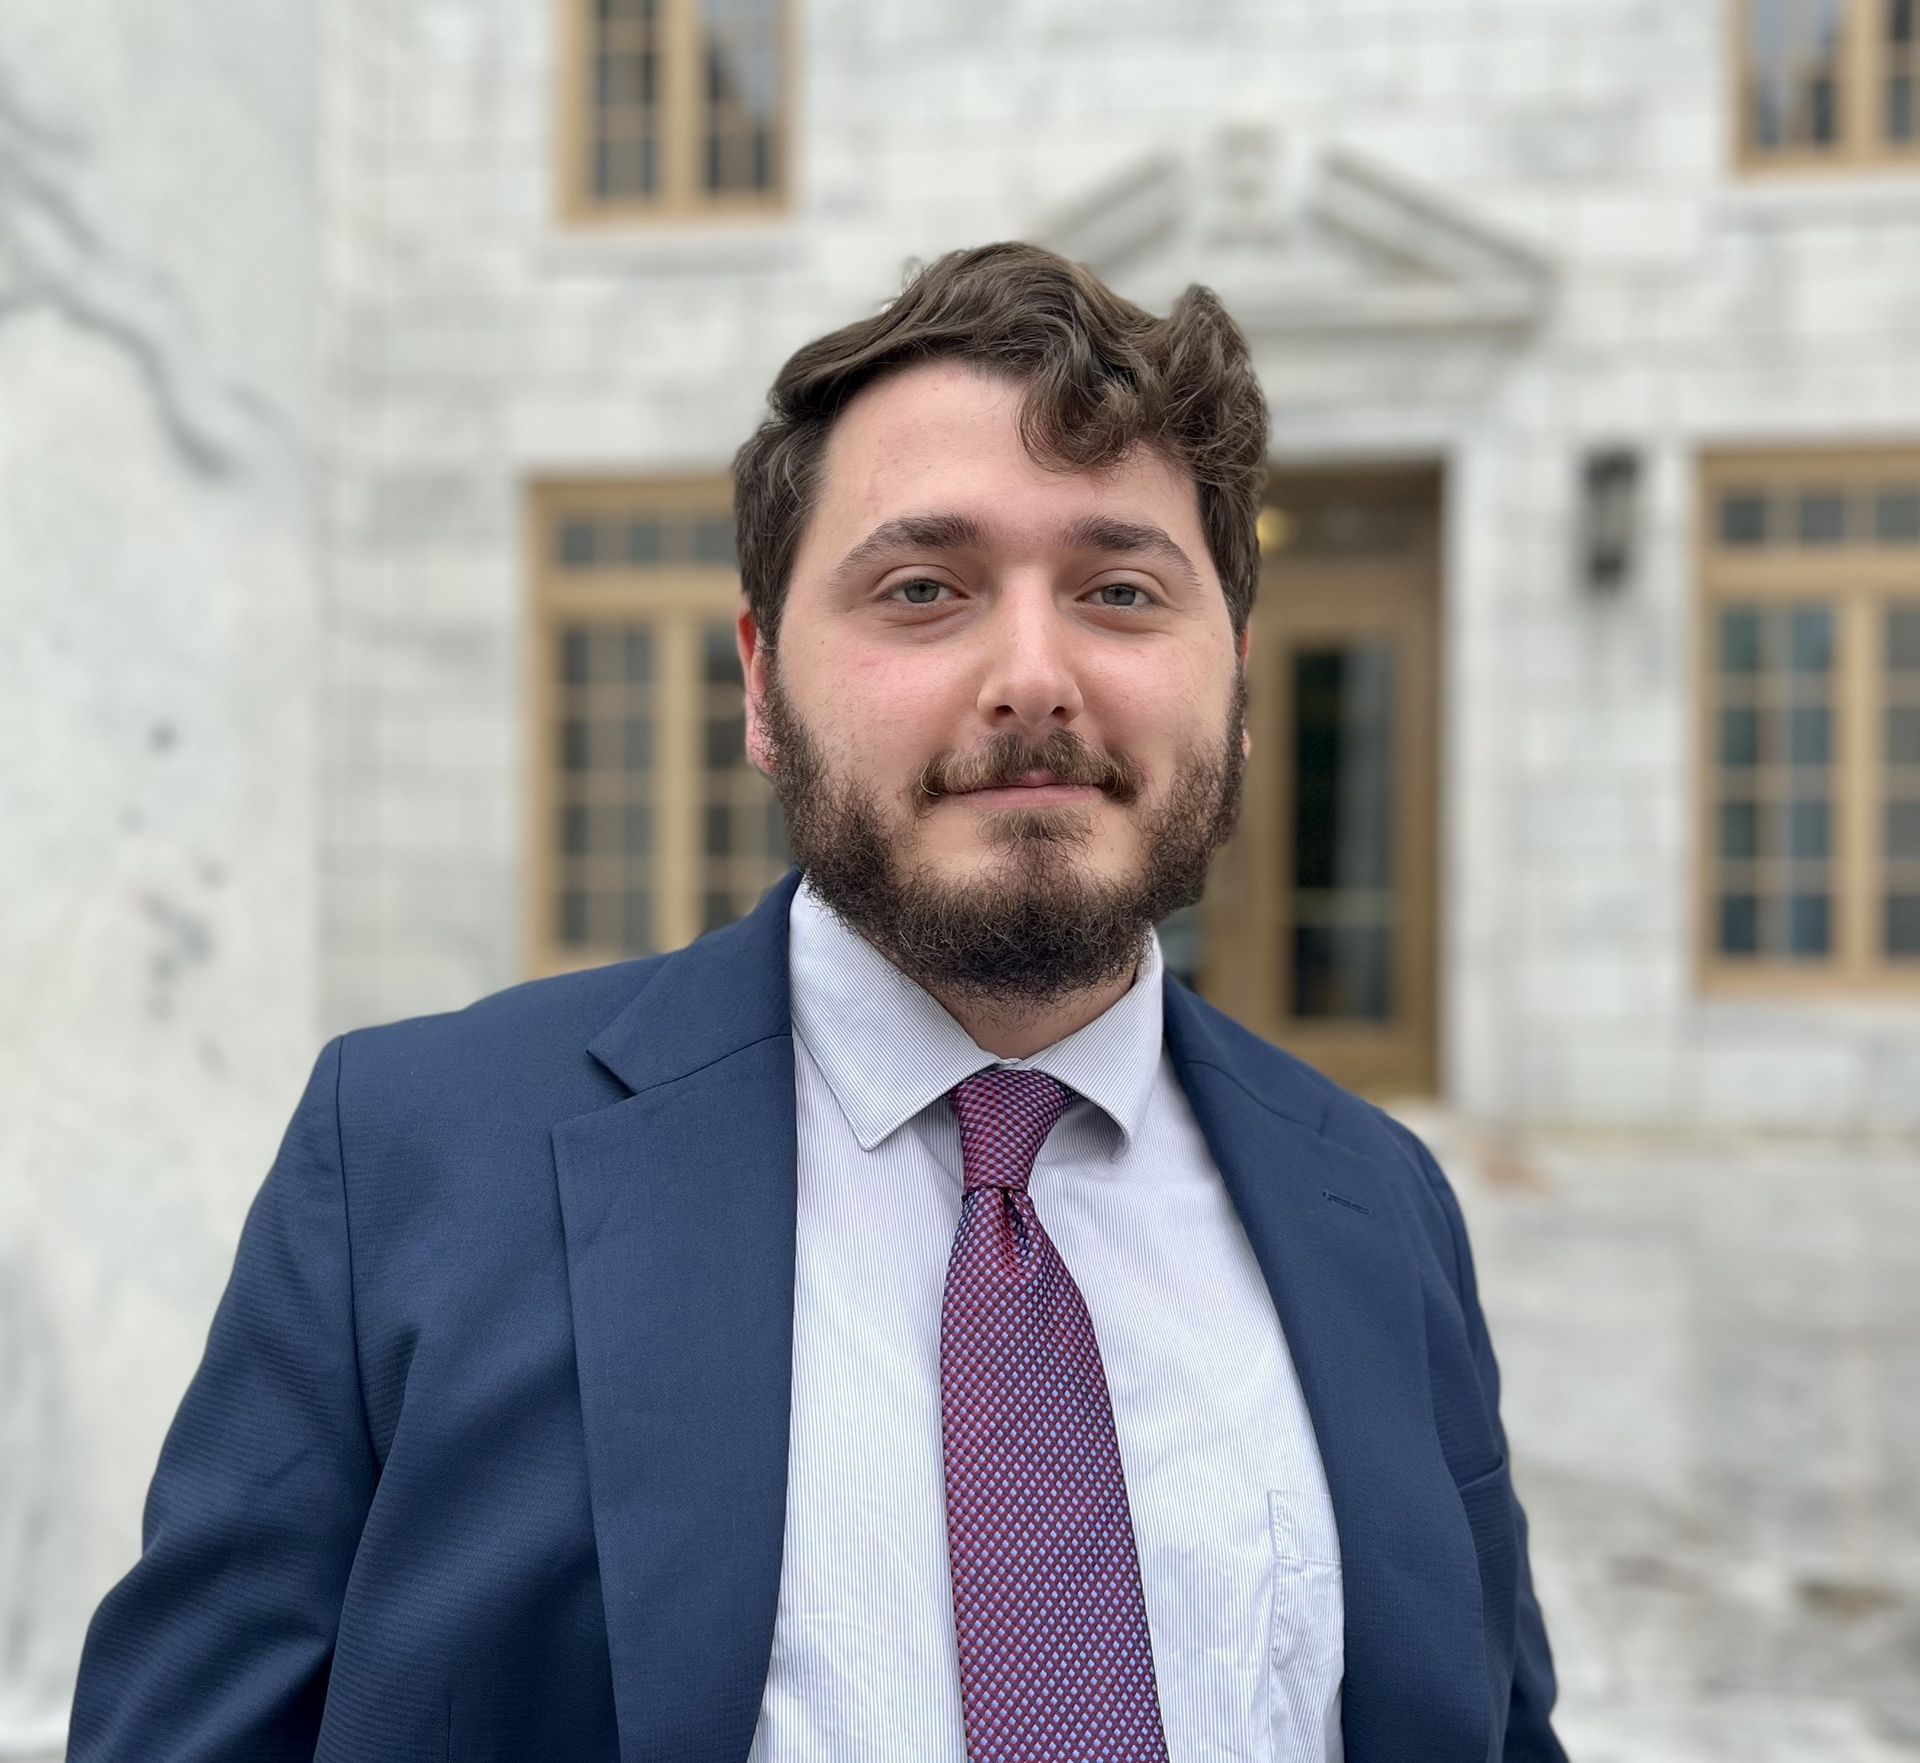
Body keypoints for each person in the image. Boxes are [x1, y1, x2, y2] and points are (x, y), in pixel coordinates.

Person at [69, 241, 1565, 1762]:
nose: (1034, 675)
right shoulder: (409, 1160)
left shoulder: (1379, 1206)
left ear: (1238, 687)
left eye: (1121, 590)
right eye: (925, 589)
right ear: (761, 679)